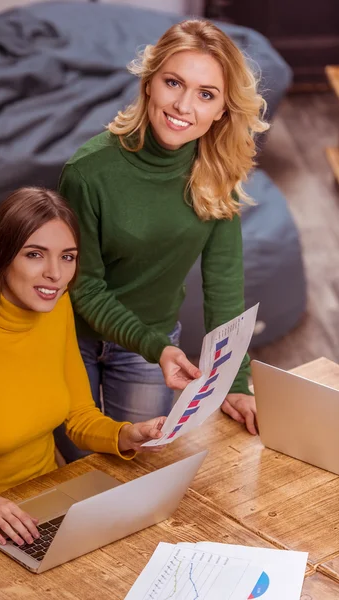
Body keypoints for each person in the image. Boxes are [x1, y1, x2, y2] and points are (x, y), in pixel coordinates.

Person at [0, 187, 166, 547]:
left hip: (43, 509)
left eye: (68, 257)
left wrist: (125, 435)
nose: (55, 274)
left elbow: (79, 416)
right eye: (35, 255)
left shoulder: (57, 309)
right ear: (2, 256)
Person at [57, 19, 268, 459]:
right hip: (68, 340)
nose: (184, 105)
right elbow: (83, 285)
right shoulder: (87, 172)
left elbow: (224, 285)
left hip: (151, 348)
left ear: (222, 111)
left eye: (206, 94)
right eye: (174, 82)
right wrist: (158, 347)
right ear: (150, 83)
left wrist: (237, 380)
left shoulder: (218, 174)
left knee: (141, 465)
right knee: (81, 472)